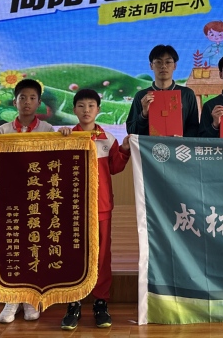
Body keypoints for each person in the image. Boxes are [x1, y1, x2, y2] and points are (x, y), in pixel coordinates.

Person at [59, 89, 131, 331]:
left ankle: (100, 302)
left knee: (101, 256)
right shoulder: (66, 137)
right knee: (74, 255)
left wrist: (125, 149)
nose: (86, 110)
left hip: (101, 207)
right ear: (74, 110)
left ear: (98, 110)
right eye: (81, 106)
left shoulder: (107, 138)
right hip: (73, 209)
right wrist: (61, 141)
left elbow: (115, 167)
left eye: (91, 106)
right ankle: (74, 301)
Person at [0, 78, 53, 324]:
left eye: (32, 98)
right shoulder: (2, 131)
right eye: (22, 98)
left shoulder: (48, 130)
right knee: (12, 247)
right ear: (14, 102)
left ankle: (31, 298)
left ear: (39, 103)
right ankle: (12, 298)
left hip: (38, 199)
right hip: (10, 198)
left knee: (35, 246)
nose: (27, 102)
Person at [126, 44, 200, 137]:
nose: (163, 66)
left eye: (168, 62)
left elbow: (194, 127)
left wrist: (181, 140)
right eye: (158, 62)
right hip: (150, 146)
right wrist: (144, 114)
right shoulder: (141, 96)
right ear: (151, 66)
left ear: (175, 66)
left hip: (180, 145)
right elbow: (131, 131)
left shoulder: (187, 94)